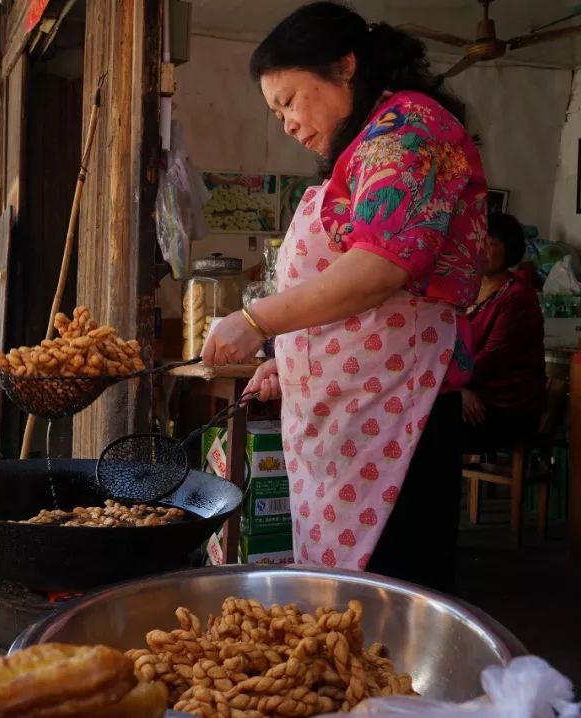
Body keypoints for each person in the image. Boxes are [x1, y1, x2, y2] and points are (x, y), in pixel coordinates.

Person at [201, 2, 487, 591]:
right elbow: (337, 287)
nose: (286, 123)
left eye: (289, 100)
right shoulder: (363, 148)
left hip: (398, 413)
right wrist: (288, 358)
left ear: (344, 67)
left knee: (389, 600)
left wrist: (255, 320)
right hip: (349, 419)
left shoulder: (410, 130)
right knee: (341, 602)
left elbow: (381, 267)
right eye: (275, 110)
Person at [461, 213, 547, 448]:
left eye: (490, 243)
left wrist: (453, 387)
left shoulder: (517, 296)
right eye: (478, 241)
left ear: (508, 250)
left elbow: (493, 357)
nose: (481, 249)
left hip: (507, 408)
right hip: (468, 395)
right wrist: (456, 389)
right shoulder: (468, 291)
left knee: (430, 427)